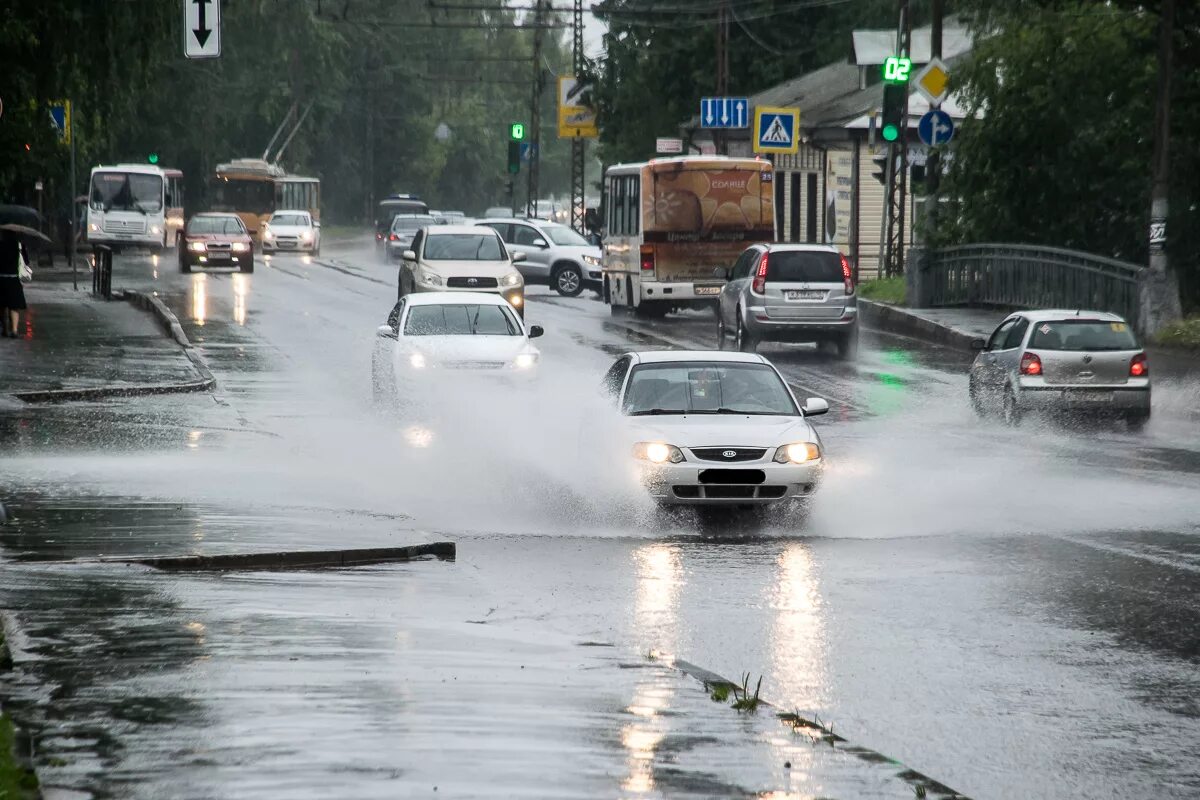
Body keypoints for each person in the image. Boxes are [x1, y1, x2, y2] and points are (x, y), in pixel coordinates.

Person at [0, 230, 29, 338]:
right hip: (14, 279)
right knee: (14, 306)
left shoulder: (0, 244)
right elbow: (26, 261)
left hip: (1, 279)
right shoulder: (19, 245)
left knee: (2, 306)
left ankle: (5, 329)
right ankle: (14, 330)